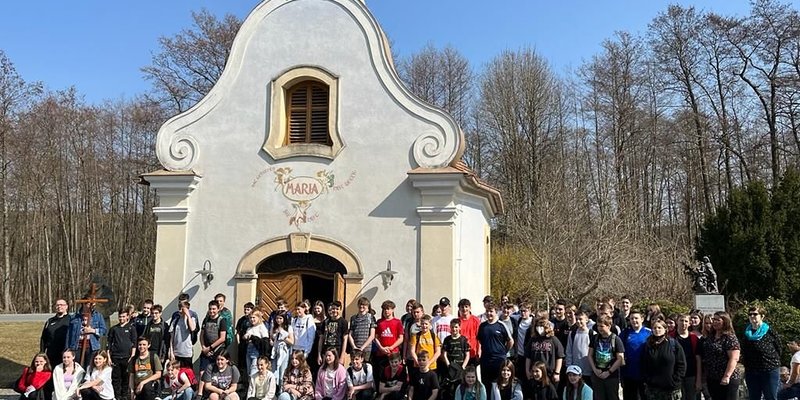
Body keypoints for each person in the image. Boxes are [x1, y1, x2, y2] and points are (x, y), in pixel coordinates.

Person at [741, 306, 782, 400]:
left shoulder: (770, 331)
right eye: (750, 314)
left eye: (755, 314)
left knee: (770, 397)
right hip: (752, 370)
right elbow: (744, 350)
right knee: (754, 397)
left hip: (769, 369)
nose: (752, 316)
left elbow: (779, 348)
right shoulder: (746, 333)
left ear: (762, 316)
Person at [639, 320, 686, 400]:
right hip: (653, 389)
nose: (657, 330)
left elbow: (681, 364)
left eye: (659, 328)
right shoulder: (648, 345)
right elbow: (643, 364)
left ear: (665, 329)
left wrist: (675, 380)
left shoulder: (673, 344)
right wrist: (647, 380)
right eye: (654, 328)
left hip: (671, 389)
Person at [701, 311, 741, 400]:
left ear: (725, 321)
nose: (714, 322)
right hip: (712, 378)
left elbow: (734, 358)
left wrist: (726, 376)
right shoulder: (711, 336)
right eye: (713, 319)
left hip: (727, 378)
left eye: (717, 320)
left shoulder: (730, 337)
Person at [478, 303, 513, 400]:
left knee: (498, 386)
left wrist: (504, 352)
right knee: (486, 385)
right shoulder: (482, 326)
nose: (489, 313)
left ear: (496, 312)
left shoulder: (501, 325)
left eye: (491, 311)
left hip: (499, 361)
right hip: (485, 361)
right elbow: (480, 341)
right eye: (487, 311)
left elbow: (510, 341)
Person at [587, 316, 624, 400]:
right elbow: (589, 355)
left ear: (609, 326)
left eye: (602, 326)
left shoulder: (616, 339)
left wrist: (608, 372)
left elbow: (620, 359)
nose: (599, 328)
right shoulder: (595, 338)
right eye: (598, 326)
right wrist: (595, 370)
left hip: (611, 376)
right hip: (597, 374)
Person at [525, 316, 565, 388]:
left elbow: (559, 357)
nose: (539, 328)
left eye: (541, 326)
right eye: (537, 326)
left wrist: (557, 372)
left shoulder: (553, 339)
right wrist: (527, 371)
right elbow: (528, 357)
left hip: (549, 373)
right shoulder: (533, 339)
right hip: (535, 373)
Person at [108, 307, 138, 400]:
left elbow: (134, 343)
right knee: (116, 378)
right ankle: (117, 396)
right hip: (115, 357)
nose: (121, 318)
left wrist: (132, 356)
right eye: (120, 316)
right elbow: (109, 344)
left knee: (126, 377)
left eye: (123, 316)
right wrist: (109, 357)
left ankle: (124, 395)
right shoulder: (114, 329)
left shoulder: (131, 328)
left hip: (127, 357)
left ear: (127, 317)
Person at [619, 310, 650, 400]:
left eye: (636, 318)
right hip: (628, 373)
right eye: (632, 318)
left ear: (642, 319)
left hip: (644, 373)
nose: (634, 320)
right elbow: (619, 350)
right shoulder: (625, 333)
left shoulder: (649, 332)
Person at [66, 300, 107, 367]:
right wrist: (67, 348)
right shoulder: (74, 317)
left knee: (90, 367)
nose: (92, 306)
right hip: (76, 347)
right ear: (84, 304)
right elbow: (69, 334)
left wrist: (92, 330)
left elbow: (104, 331)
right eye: (89, 304)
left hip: (92, 347)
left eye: (93, 304)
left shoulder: (98, 316)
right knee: (77, 367)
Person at [565, 310, 593, 388]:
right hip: (575, 371)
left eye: (580, 319)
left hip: (588, 371)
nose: (578, 321)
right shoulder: (572, 333)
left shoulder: (592, 334)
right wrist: (569, 366)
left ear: (586, 319)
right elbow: (569, 351)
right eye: (577, 319)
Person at [200, 300, 230, 374]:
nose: (211, 311)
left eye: (214, 309)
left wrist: (210, 348)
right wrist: (204, 348)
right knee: (202, 373)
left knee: (216, 373)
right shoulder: (206, 320)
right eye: (210, 309)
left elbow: (222, 338)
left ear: (218, 309)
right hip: (206, 351)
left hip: (218, 351)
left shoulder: (222, 320)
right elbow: (201, 335)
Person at [374, 300, 404, 372]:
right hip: (381, 353)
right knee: (381, 373)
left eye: (388, 309)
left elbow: (401, 338)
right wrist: (381, 348)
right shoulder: (379, 322)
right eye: (384, 309)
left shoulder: (398, 322)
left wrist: (391, 347)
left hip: (393, 353)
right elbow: (375, 337)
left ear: (393, 309)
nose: (386, 311)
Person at [168, 299, 199, 368]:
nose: (180, 311)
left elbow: (192, 328)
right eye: (179, 308)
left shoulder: (191, 319)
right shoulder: (175, 320)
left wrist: (188, 315)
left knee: (187, 371)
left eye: (182, 309)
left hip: (187, 353)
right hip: (176, 353)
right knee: (176, 371)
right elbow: (172, 337)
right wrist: (171, 351)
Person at [41, 299, 71, 368]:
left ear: (66, 306)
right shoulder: (50, 321)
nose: (59, 307)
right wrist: (42, 352)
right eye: (57, 305)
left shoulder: (71, 320)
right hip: (51, 353)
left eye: (61, 305)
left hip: (65, 353)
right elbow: (44, 338)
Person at [318, 301, 349, 366]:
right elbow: (321, 339)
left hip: (337, 351)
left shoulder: (343, 322)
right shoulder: (325, 322)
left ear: (340, 310)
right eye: (333, 309)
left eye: (337, 309)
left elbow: (345, 339)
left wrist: (342, 357)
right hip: (326, 351)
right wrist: (319, 354)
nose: (335, 311)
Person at [348, 297, 377, 363]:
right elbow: (350, 334)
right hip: (355, 349)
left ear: (367, 306)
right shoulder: (353, 318)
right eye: (360, 304)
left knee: (366, 366)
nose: (361, 306)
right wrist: (354, 347)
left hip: (366, 350)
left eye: (364, 305)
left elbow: (372, 336)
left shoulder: (371, 317)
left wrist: (362, 348)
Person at [271, 312, 295, 387]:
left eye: (280, 318)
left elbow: (292, 341)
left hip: (284, 351)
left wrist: (283, 337)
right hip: (275, 350)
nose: (278, 320)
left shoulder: (288, 327)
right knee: (274, 370)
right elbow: (271, 337)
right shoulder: (274, 327)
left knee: (282, 370)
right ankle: (275, 388)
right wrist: (272, 340)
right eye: (277, 318)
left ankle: (282, 388)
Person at [245, 310, 271, 376]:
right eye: (250, 318)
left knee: (253, 372)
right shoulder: (250, 328)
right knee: (248, 371)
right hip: (249, 350)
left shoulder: (261, 327)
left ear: (258, 318)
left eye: (254, 317)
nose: (252, 319)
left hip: (256, 352)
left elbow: (265, 341)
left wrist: (253, 338)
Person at [458, 298, 481, 366]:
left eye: (466, 307)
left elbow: (479, 337)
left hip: (473, 353)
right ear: (459, 309)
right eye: (462, 307)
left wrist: (479, 351)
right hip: (461, 354)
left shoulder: (475, 320)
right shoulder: (457, 321)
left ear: (470, 308)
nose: (464, 309)